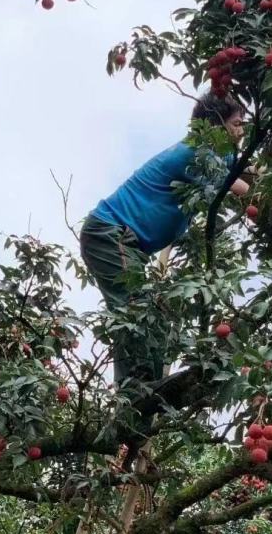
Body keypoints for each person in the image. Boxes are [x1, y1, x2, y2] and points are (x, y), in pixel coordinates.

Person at [80, 93, 249, 392]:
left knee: (153, 319)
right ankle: (134, 394)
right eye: (236, 124)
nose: (242, 131)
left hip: (128, 243)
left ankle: (146, 394)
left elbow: (244, 173)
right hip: (110, 232)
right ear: (215, 125)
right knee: (136, 312)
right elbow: (240, 188)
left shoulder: (220, 156)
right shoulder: (196, 153)